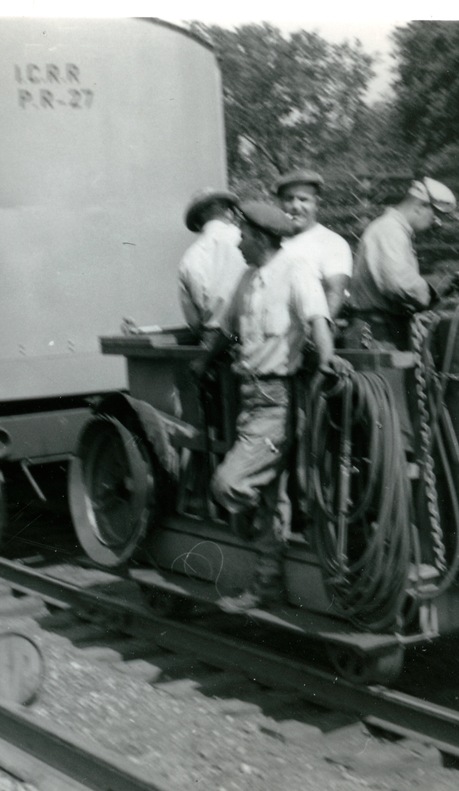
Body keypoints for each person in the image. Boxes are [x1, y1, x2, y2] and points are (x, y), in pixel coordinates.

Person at [192, 200, 351, 611]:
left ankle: (262, 535)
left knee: (229, 484)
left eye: (243, 236)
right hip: (248, 396)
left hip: (278, 399)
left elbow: (318, 319)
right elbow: (226, 329)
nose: (238, 243)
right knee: (267, 495)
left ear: (261, 239)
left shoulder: (296, 271)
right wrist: (204, 361)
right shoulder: (247, 278)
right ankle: (267, 586)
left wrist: (328, 358)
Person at [345, 177, 458, 350]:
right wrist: (437, 286)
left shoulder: (396, 230)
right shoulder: (389, 230)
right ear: (420, 206)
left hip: (385, 329)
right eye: (435, 218)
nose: (435, 224)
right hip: (376, 333)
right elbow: (399, 283)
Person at [273, 168, 353, 317]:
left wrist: (320, 328)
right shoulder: (271, 239)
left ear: (317, 203)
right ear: (279, 203)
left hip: (308, 327)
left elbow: (335, 292)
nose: (296, 206)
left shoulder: (331, 242)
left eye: (303, 199)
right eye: (288, 199)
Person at [177, 187, 248, 337]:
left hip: (215, 341)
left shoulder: (189, 257)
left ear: (198, 223)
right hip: (251, 336)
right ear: (229, 212)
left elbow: (193, 322)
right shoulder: (247, 240)